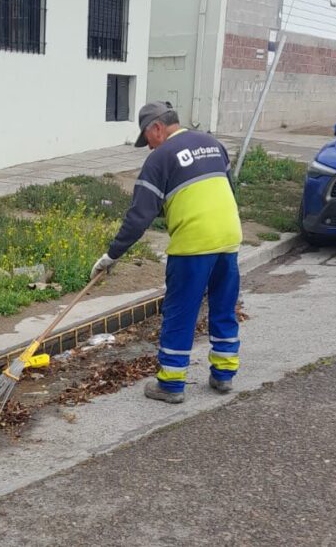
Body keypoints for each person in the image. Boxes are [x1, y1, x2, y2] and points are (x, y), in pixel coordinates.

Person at [90, 101, 243, 404]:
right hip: (229, 237)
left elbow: (138, 217)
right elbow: (224, 188)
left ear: (157, 128)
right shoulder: (213, 144)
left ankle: (171, 385)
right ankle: (223, 375)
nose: (147, 146)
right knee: (223, 307)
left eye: (146, 138)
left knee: (180, 313)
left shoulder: (161, 157)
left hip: (194, 244)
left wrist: (112, 255)